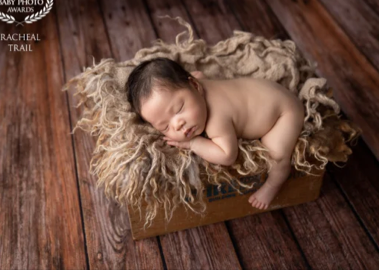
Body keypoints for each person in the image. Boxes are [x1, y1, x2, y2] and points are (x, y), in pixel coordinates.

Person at [126, 57, 304, 210]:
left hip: (283, 114)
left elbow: (227, 155)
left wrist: (193, 143)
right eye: (164, 127)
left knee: (276, 153)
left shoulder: (216, 119)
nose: (178, 124)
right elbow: (197, 74)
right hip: (266, 90)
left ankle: (273, 184)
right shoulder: (197, 83)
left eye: (179, 109)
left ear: (195, 86)